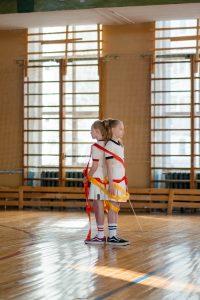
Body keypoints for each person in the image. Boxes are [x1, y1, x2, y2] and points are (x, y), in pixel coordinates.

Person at [104, 118, 130, 246]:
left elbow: (121, 166)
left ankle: (114, 234)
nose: (123, 131)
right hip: (113, 181)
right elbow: (109, 166)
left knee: (117, 207)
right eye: (121, 128)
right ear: (113, 129)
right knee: (112, 207)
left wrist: (124, 183)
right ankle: (112, 236)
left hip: (121, 180)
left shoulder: (119, 143)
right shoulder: (109, 145)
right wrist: (111, 183)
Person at [83, 120, 107, 245]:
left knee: (98, 206)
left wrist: (87, 177)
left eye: (91, 130)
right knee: (98, 205)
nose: (90, 132)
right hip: (106, 179)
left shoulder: (95, 146)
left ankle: (101, 235)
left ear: (97, 131)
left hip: (98, 179)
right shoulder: (109, 144)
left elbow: (95, 165)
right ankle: (100, 234)